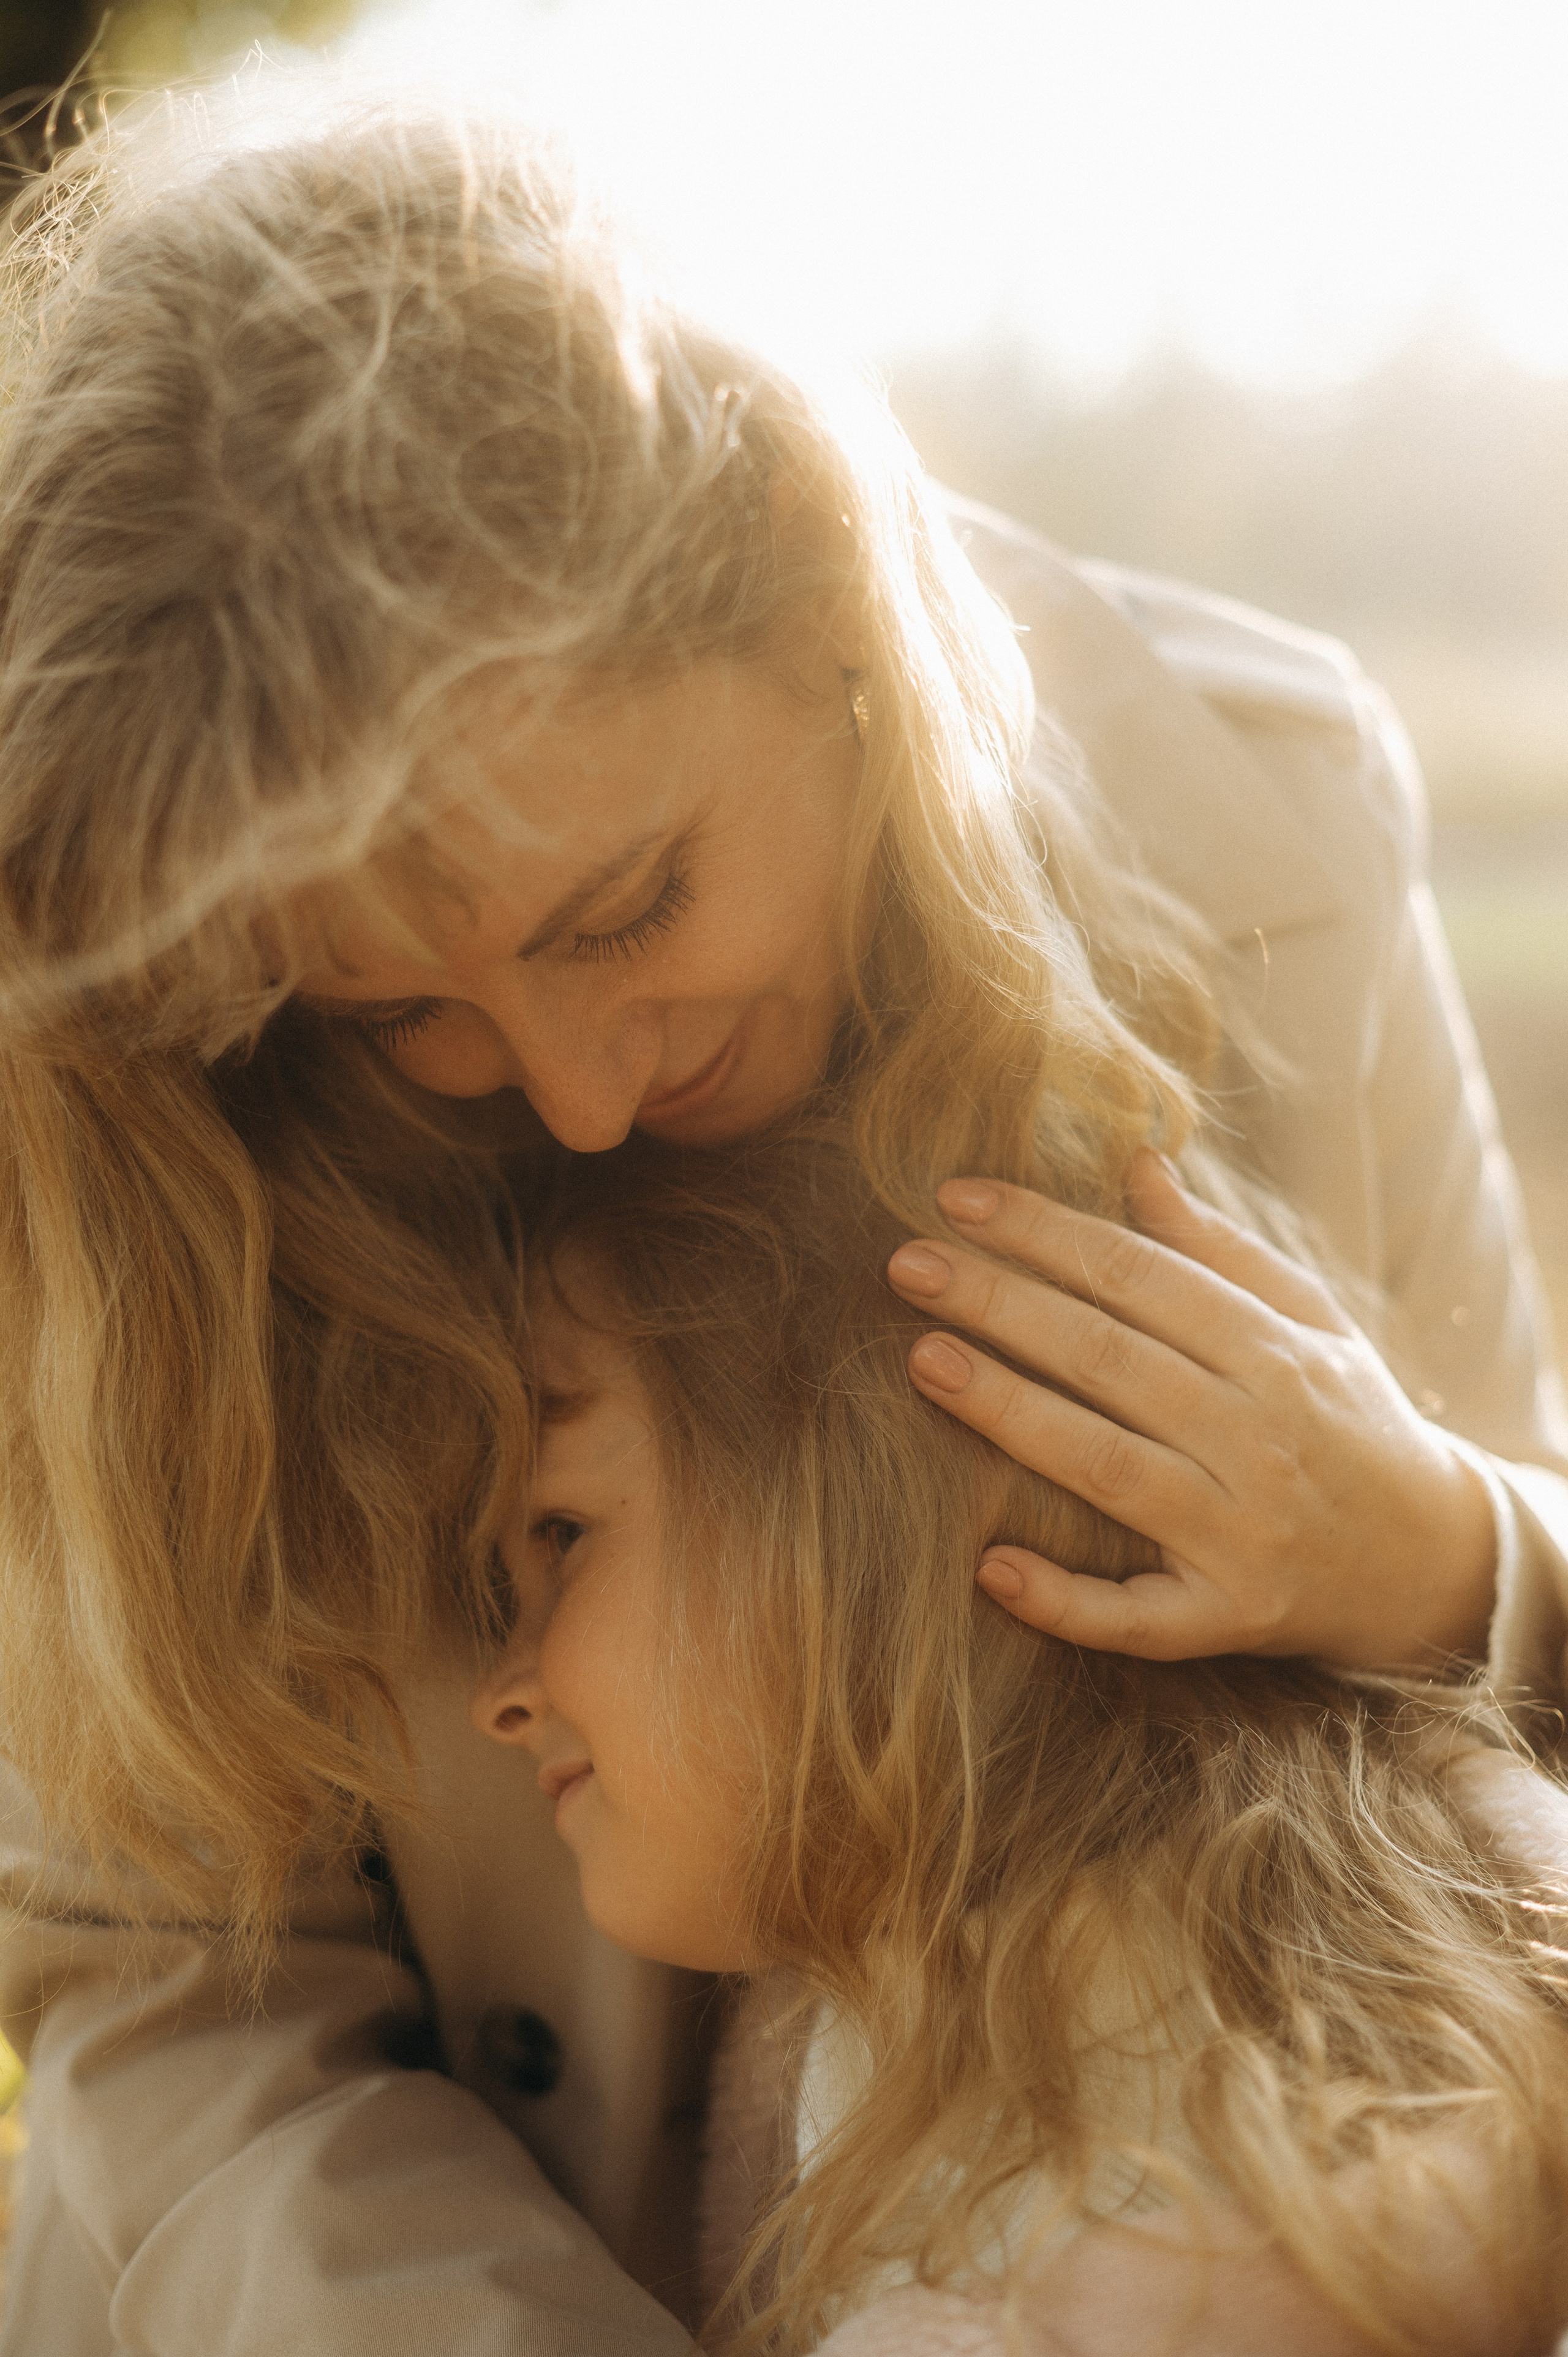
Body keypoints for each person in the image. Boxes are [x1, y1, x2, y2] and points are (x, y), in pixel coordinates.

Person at [3, 75, 1568, 2356]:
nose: (577, 1083)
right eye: (409, 1007)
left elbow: (1480, 1756)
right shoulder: (168, 1128)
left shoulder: (1269, 822)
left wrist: (1447, 1550)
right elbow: (174, 2005)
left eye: (632, 899)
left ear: (841, 635)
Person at [475, 1126, 1568, 2357]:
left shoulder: (1293, 2088)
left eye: (562, 1532)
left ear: (889, 1511)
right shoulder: (854, 2016)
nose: (498, 1694)